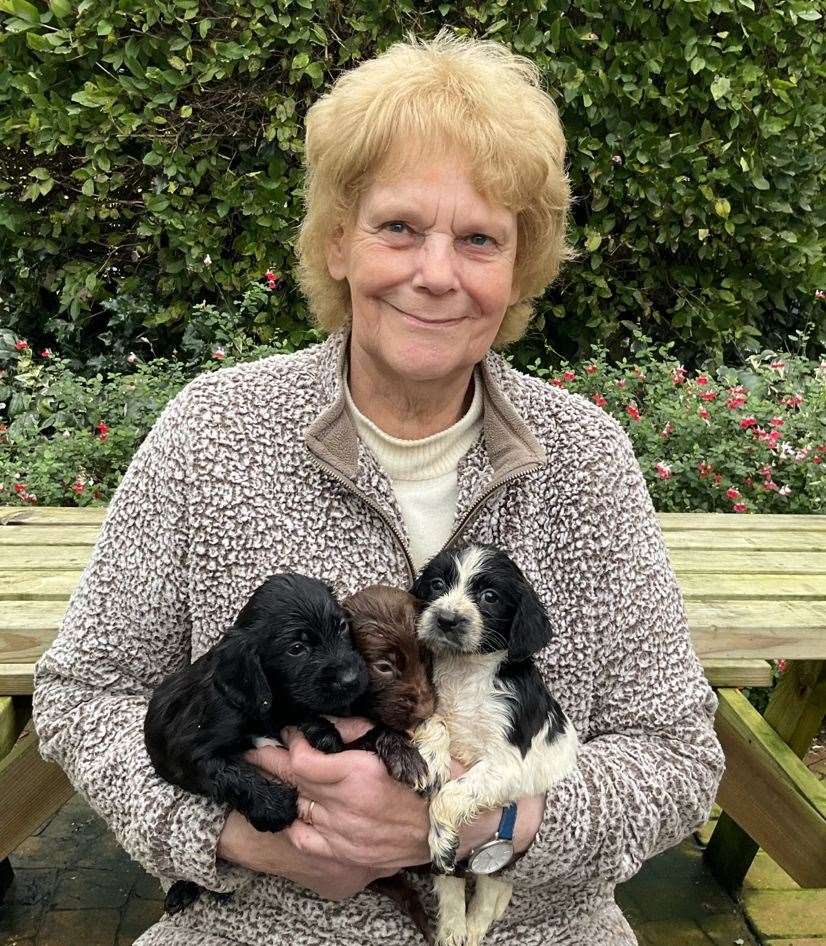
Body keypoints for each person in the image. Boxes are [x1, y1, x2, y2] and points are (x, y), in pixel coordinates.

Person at [32, 29, 725, 946]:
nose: (435, 274)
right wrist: (237, 833)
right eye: (399, 227)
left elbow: (678, 753)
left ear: (520, 268)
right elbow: (83, 693)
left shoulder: (587, 460)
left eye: (479, 238)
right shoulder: (213, 432)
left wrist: (493, 825)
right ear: (336, 244)